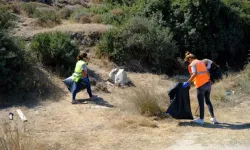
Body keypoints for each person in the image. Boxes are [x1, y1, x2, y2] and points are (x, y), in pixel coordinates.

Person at [182, 52, 218, 125]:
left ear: (190, 59)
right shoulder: (201, 62)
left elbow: (194, 74)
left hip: (201, 85)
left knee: (201, 102)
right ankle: (213, 118)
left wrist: (187, 82)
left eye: (188, 61)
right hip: (208, 84)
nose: (188, 62)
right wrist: (209, 80)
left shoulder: (193, 64)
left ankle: (201, 119)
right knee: (208, 101)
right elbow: (207, 71)